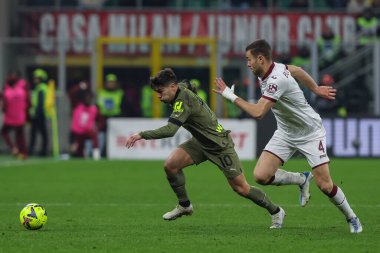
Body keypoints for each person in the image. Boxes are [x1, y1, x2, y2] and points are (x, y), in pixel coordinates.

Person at [214, 39, 363, 233]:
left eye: (249, 59)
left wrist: (230, 96)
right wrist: (316, 89)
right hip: (285, 132)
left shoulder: (276, 80)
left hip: (310, 132)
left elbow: (259, 113)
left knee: (325, 186)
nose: (247, 64)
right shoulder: (270, 69)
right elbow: (297, 70)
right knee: (261, 176)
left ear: (260, 58)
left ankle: (352, 218)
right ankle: (301, 179)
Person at [126, 68, 286, 228]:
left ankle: (276, 211)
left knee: (242, 188)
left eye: (160, 91)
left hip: (219, 146)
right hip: (200, 142)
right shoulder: (180, 88)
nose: (159, 96)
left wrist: (141, 134)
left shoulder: (183, 101)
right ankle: (184, 205)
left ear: (173, 87)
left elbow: (170, 130)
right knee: (171, 165)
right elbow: (187, 82)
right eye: (156, 92)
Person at [0, 70, 29, 159]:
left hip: (10, 118)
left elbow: (4, 106)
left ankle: (13, 148)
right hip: (20, 117)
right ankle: (23, 152)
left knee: (4, 132)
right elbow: (28, 102)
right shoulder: (22, 91)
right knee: (20, 136)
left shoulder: (7, 92)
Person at [97, 73, 124, 157]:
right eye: (109, 82)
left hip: (116, 118)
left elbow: (124, 106)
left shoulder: (120, 93)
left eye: (112, 82)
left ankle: (114, 153)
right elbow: (98, 105)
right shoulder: (101, 92)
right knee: (102, 135)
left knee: (114, 137)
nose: (111, 84)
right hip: (103, 118)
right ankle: (101, 152)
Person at [70, 90, 100, 160]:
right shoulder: (77, 106)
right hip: (77, 132)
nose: (88, 99)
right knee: (76, 151)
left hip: (87, 131)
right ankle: (80, 153)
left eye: (90, 98)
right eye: (87, 97)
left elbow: (100, 120)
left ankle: (96, 155)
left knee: (94, 136)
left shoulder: (94, 109)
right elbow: (71, 94)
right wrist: (79, 87)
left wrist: (97, 128)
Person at [28, 68, 49, 157]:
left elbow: (40, 103)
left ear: (41, 78)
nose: (35, 79)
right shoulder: (38, 88)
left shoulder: (42, 88)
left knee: (42, 133)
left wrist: (36, 113)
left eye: (36, 78)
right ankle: (32, 150)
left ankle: (43, 151)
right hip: (37, 114)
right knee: (34, 133)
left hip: (40, 115)